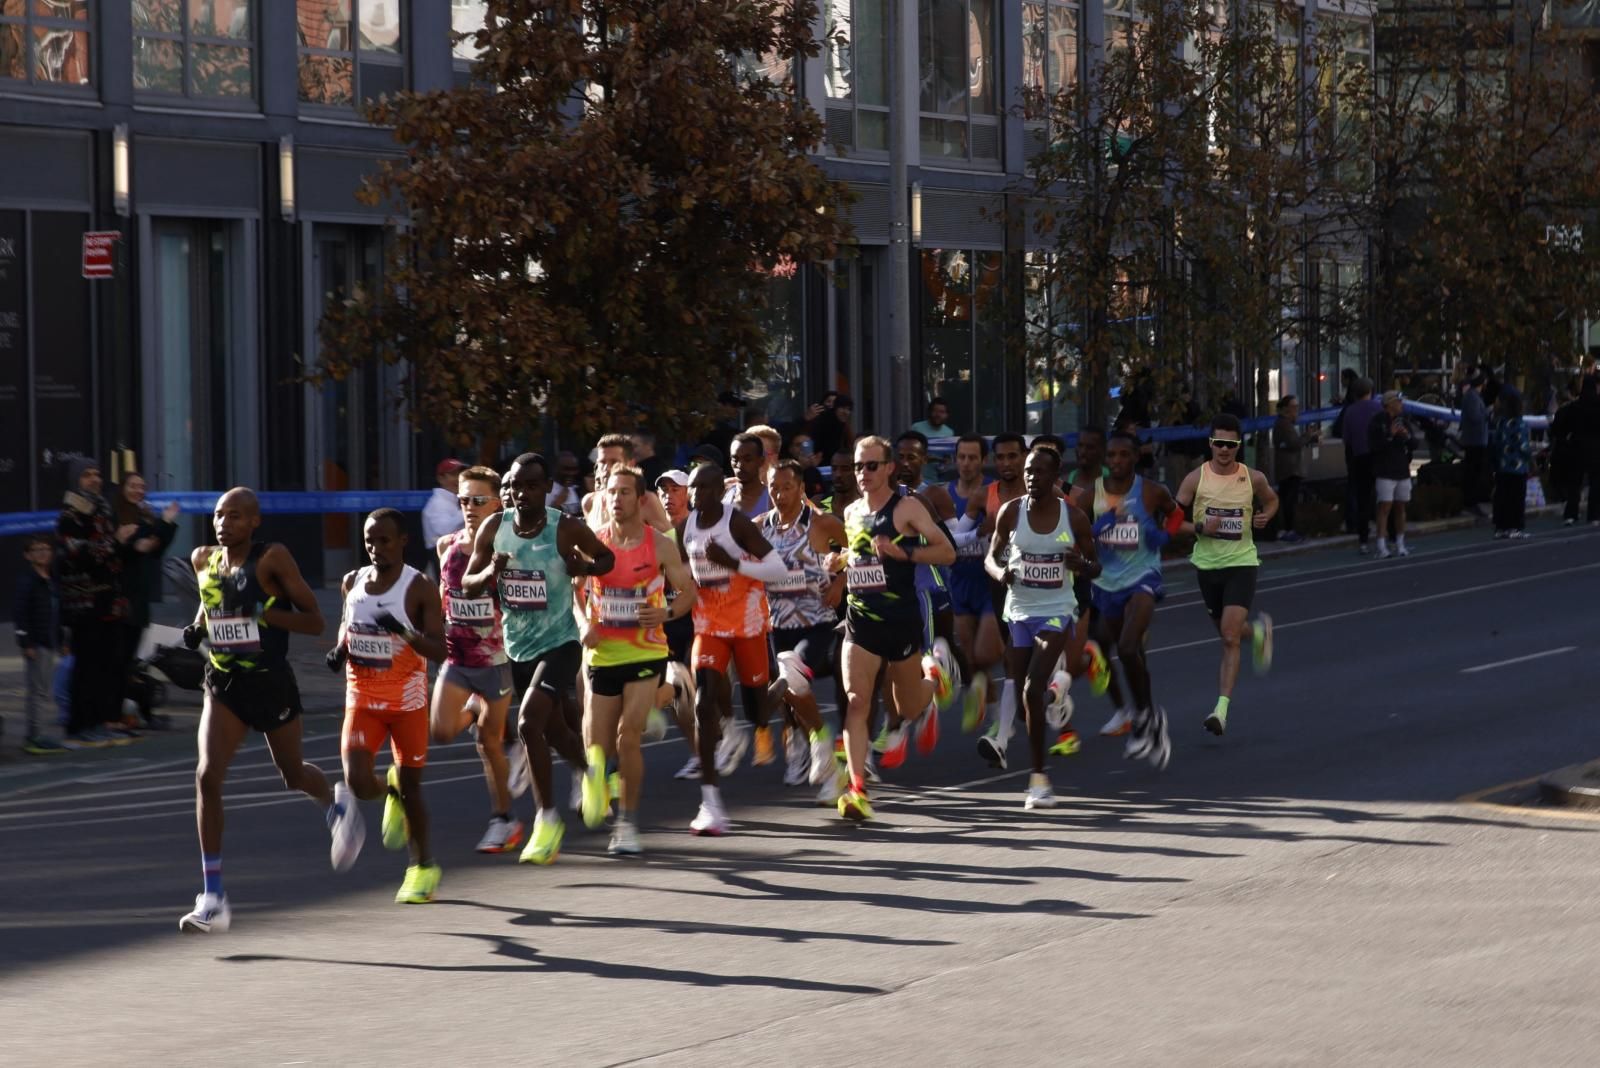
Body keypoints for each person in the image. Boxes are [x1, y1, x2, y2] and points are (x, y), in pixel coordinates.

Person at [179, 487, 341, 933]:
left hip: (270, 682)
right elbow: (210, 602)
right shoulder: (201, 559)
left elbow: (314, 621)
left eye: (234, 516)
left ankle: (333, 805)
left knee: (292, 775)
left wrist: (265, 614)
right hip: (224, 682)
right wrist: (196, 629)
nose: (223, 523)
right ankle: (213, 897)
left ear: (254, 522)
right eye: (218, 515)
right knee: (207, 775)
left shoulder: (273, 559)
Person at [463, 453, 616, 865]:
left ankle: (547, 821)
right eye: (513, 486)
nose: (520, 493)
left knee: (529, 722)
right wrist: (490, 572)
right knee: (553, 733)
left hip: (561, 643)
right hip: (518, 646)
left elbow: (606, 559)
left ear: (546, 488)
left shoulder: (562, 527)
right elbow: (468, 583)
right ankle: (591, 772)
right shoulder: (495, 528)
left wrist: (582, 564)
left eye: (531, 485)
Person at [830, 436, 957, 820]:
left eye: (871, 466)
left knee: (908, 705)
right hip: (860, 618)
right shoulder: (851, 512)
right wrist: (837, 563)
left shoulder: (907, 508)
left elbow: (947, 552)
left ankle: (934, 676)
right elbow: (857, 555)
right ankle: (857, 789)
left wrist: (908, 553)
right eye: (857, 466)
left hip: (900, 620)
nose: (862, 474)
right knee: (856, 701)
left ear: (888, 468)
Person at [330, 509, 448, 904]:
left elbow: (440, 648)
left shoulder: (420, 587)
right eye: (369, 541)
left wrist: (404, 633)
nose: (376, 548)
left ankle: (422, 866)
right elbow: (349, 630)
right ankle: (389, 792)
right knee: (359, 781)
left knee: (414, 787)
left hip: (407, 702)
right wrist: (338, 652)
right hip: (362, 697)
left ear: (402, 542)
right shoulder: (353, 582)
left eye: (384, 541)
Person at [579, 465, 698, 854]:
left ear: (640, 499)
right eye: (611, 492)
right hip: (604, 652)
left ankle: (626, 826)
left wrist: (665, 613)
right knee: (597, 748)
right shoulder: (594, 544)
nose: (616, 499)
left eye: (625, 492)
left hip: (646, 650)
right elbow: (575, 594)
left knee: (627, 735)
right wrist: (584, 624)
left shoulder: (660, 544)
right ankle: (669, 693)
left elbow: (687, 592)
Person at [985, 443, 1101, 807]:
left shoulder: (1074, 517)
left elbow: (1095, 566)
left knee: (1031, 691)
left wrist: (1080, 564)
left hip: (1057, 610)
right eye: (1029, 471)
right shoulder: (1010, 512)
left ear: (1056, 478)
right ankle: (1058, 691)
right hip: (1019, 610)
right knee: (1025, 704)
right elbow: (991, 556)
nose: (1033, 478)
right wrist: (1000, 571)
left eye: (1041, 472)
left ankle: (1038, 782)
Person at [683, 462, 790, 812]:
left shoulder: (737, 523)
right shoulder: (687, 526)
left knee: (757, 710)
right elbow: (684, 572)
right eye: (692, 488)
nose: (694, 494)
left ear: (717, 491)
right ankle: (710, 800)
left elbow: (778, 569)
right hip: (709, 626)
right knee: (703, 700)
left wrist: (734, 564)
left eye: (701, 488)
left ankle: (789, 681)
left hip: (747, 624)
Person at [427, 465, 522, 854]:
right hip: (457, 655)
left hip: (497, 659)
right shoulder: (446, 544)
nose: (469, 507)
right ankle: (475, 709)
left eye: (478, 500)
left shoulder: (509, 547)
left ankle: (504, 820)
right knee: (441, 732)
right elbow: (443, 594)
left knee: (487, 741)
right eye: (463, 500)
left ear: (498, 502)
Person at [1078, 430, 1180, 766]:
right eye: (1112, 456)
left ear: (1135, 458)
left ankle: (1141, 718)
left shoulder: (1151, 491)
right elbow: (1076, 537)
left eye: (1123, 455)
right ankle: (1150, 715)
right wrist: (1097, 530)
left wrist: (1166, 535)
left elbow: (1175, 511)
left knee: (1125, 647)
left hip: (1143, 578)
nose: (1117, 461)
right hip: (1107, 585)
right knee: (1132, 653)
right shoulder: (1090, 495)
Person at [1174, 415, 1277, 737]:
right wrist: (1201, 527)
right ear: (1210, 443)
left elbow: (1272, 500)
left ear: (1238, 446)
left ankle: (1221, 710)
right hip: (1207, 566)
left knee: (1229, 637)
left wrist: (1265, 515)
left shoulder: (1253, 477)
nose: (1224, 449)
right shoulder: (1195, 479)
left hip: (1242, 563)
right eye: (1218, 443)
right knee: (1227, 630)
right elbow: (1172, 522)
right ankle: (1258, 632)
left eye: (1230, 444)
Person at [762, 460, 849, 801]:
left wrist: (841, 580)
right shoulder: (761, 526)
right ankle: (824, 751)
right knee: (792, 694)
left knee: (793, 675)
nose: (779, 494)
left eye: (786, 487)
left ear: (800, 488)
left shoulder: (821, 522)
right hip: (778, 625)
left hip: (818, 623)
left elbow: (860, 549)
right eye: (773, 487)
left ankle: (824, 746)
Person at [56, 457, 137, 745]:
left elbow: (113, 554)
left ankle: (102, 719)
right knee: (86, 668)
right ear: (77, 480)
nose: (94, 479)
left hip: (109, 601)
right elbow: (78, 554)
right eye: (88, 475)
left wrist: (125, 544)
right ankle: (81, 724)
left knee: (107, 665)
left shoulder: (103, 508)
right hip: (84, 603)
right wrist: (115, 542)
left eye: (97, 474)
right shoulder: (71, 513)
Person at [112, 472, 182, 727]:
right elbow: (135, 545)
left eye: (142, 486)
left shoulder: (144, 514)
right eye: (132, 486)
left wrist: (166, 523)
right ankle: (120, 713)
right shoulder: (117, 515)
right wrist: (140, 540)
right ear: (122, 489)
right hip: (122, 597)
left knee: (135, 658)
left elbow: (155, 548)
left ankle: (136, 712)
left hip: (139, 598)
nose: (138, 490)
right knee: (122, 659)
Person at [946, 434, 1002, 733]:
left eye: (972, 458)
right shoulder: (945, 495)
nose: (966, 463)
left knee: (985, 654)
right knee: (971, 660)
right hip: (959, 582)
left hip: (989, 583)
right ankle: (995, 716)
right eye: (962, 457)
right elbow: (946, 542)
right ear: (955, 460)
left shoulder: (993, 492)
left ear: (983, 460)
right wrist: (979, 534)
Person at [14, 536, 65, 753]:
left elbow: (56, 613)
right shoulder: (28, 581)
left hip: (49, 640)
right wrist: (26, 642)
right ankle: (35, 735)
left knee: (43, 689)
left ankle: (37, 733)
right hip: (37, 642)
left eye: (46, 549)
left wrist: (61, 640)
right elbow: (21, 614)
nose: (43, 553)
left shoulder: (51, 580)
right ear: (28, 555)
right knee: (37, 690)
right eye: (36, 550)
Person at [584, 433, 673, 532]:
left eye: (614, 462)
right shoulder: (589, 502)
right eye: (602, 462)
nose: (606, 468)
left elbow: (670, 543)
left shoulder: (646, 501)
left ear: (630, 464)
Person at [1369, 391, 1416, 558]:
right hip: (1385, 471)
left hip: (1402, 469)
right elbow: (1374, 446)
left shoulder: (1403, 420)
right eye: (1398, 401)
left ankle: (1400, 543)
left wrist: (1407, 436)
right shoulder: (1377, 421)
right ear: (1389, 403)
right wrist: (1390, 434)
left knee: (1401, 507)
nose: (1401, 404)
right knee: (1384, 507)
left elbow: (1414, 443)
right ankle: (1381, 545)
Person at [1339, 379, 1383, 554]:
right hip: (1378, 456)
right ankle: (1387, 537)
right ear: (1370, 390)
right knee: (1384, 498)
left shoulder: (1350, 411)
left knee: (1362, 498)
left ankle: (1363, 540)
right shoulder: (1378, 408)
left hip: (1358, 457)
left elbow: (1346, 439)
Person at [1554, 375, 1600, 526]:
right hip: (1595, 448)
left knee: (1575, 483)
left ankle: (1571, 514)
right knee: (1595, 483)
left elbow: (1561, 427)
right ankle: (1594, 515)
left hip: (1576, 447)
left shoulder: (1574, 406)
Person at [1490, 388, 1532, 539]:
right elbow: (1523, 447)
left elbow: (1496, 442)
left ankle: (1501, 527)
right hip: (1517, 467)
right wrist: (1530, 457)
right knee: (1516, 499)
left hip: (1502, 466)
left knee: (1502, 497)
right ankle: (1515, 526)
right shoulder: (1520, 424)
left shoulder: (1501, 422)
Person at [1272, 397, 1312, 543]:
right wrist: (1308, 435)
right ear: (1285, 409)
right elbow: (1294, 444)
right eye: (1293, 407)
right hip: (1290, 469)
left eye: (1297, 407)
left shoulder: (1284, 424)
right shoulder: (1284, 424)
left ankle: (1286, 529)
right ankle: (1288, 530)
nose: (1296, 411)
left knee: (1287, 499)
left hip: (1288, 468)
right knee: (1289, 500)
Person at [421, 459, 469, 567]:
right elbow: (444, 530)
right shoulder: (437, 503)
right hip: (441, 559)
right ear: (440, 478)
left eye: (461, 474)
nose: (458, 478)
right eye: (453, 474)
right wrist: (469, 508)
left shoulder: (456, 500)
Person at [1458, 374, 1490, 518]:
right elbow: (1476, 417)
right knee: (1473, 472)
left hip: (1478, 439)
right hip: (1474, 440)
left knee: (1476, 472)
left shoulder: (1474, 396)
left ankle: (1471, 501)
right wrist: (1488, 412)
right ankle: (1470, 502)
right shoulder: (1472, 397)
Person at [725, 432, 774, 520]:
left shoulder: (772, 499)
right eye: (735, 459)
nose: (740, 465)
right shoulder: (723, 494)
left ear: (761, 461)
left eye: (747, 459)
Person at [808, 392, 855, 464]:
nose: (846, 412)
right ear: (835, 408)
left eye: (848, 409)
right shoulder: (822, 422)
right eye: (842, 408)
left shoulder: (844, 425)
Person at [699, 391, 745, 461]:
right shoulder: (701, 426)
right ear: (719, 405)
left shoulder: (730, 430)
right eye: (734, 405)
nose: (737, 410)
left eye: (739, 407)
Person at [550, 451, 586, 518]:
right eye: (566, 469)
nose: (571, 473)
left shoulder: (576, 489)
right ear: (556, 468)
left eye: (574, 469)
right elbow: (544, 520)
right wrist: (557, 503)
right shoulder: (546, 490)